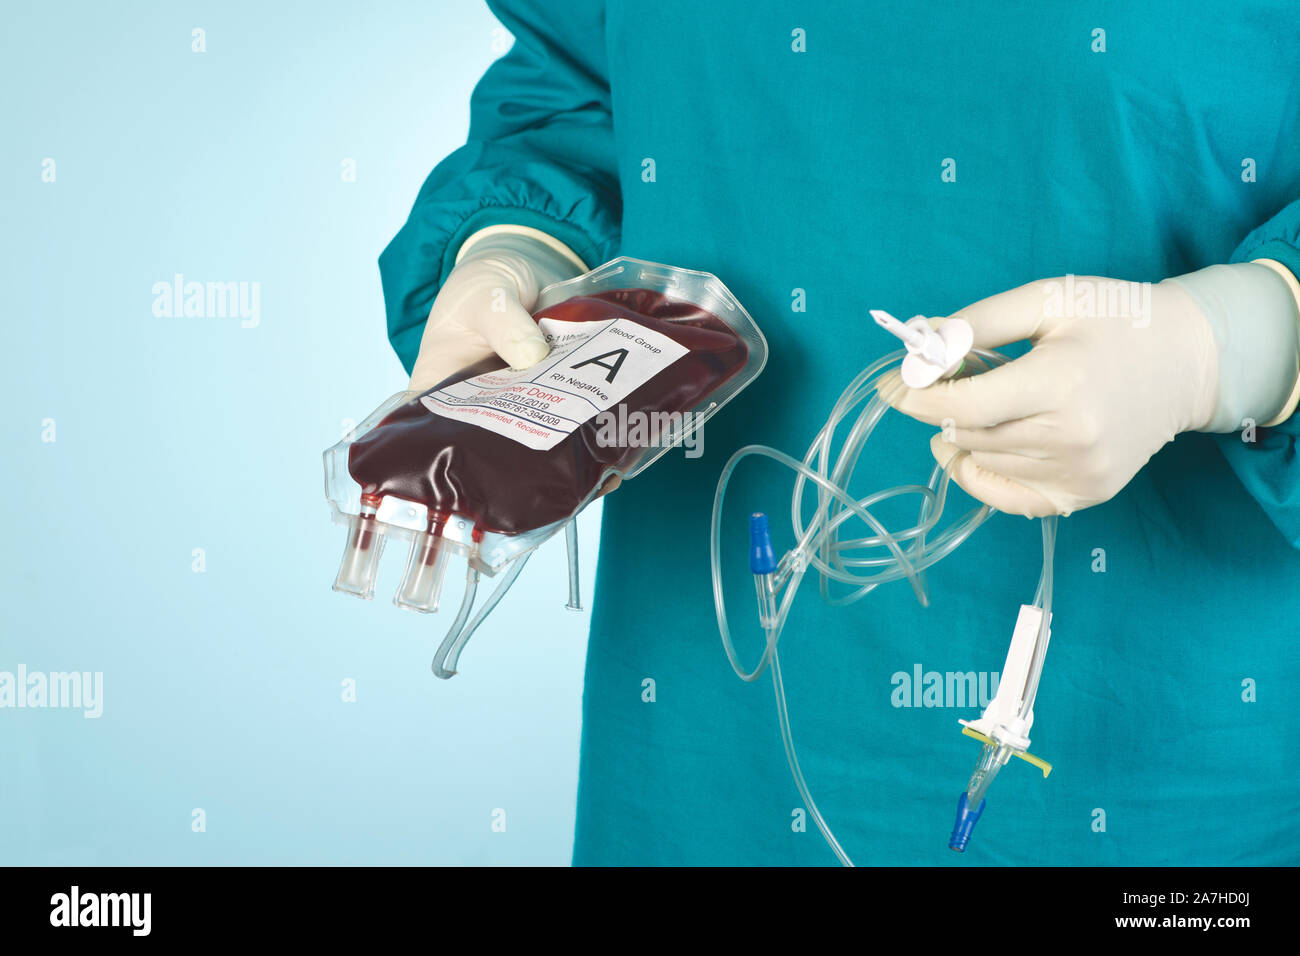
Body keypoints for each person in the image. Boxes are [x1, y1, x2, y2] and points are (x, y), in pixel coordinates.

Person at [378, 2, 1300, 865]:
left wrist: (1225, 344)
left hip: (1170, 768)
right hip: (701, 752)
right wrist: (516, 246)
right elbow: (581, 84)